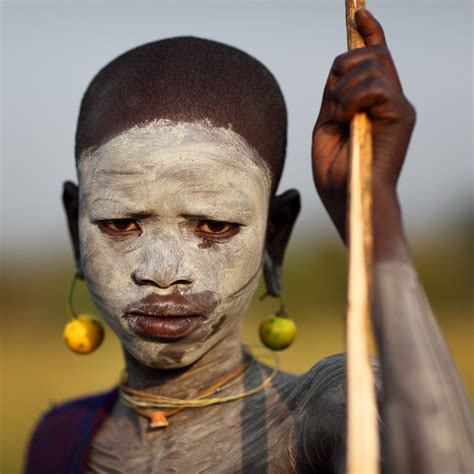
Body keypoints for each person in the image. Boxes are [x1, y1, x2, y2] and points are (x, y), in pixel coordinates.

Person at [26, 9, 473, 473]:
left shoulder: (325, 416)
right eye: (120, 224)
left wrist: (372, 215)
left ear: (273, 237)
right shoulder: (60, 439)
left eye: (215, 227)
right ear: (75, 227)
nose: (161, 272)